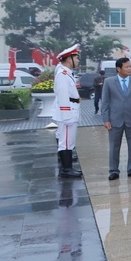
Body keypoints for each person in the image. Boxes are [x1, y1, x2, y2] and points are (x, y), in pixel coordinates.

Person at [101, 57, 131, 180]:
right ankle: (114, 170)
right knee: (114, 146)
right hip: (115, 119)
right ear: (118, 69)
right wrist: (106, 119)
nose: (129, 69)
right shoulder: (109, 82)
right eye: (126, 67)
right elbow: (105, 102)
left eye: (130, 66)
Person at [53, 44, 83, 178]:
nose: (78, 60)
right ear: (69, 59)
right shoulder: (63, 74)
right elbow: (63, 95)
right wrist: (67, 116)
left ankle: (67, 166)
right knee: (66, 142)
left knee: (67, 141)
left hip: (70, 109)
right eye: (76, 58)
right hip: (67, 112)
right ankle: (67, 169)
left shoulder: (65, 72)